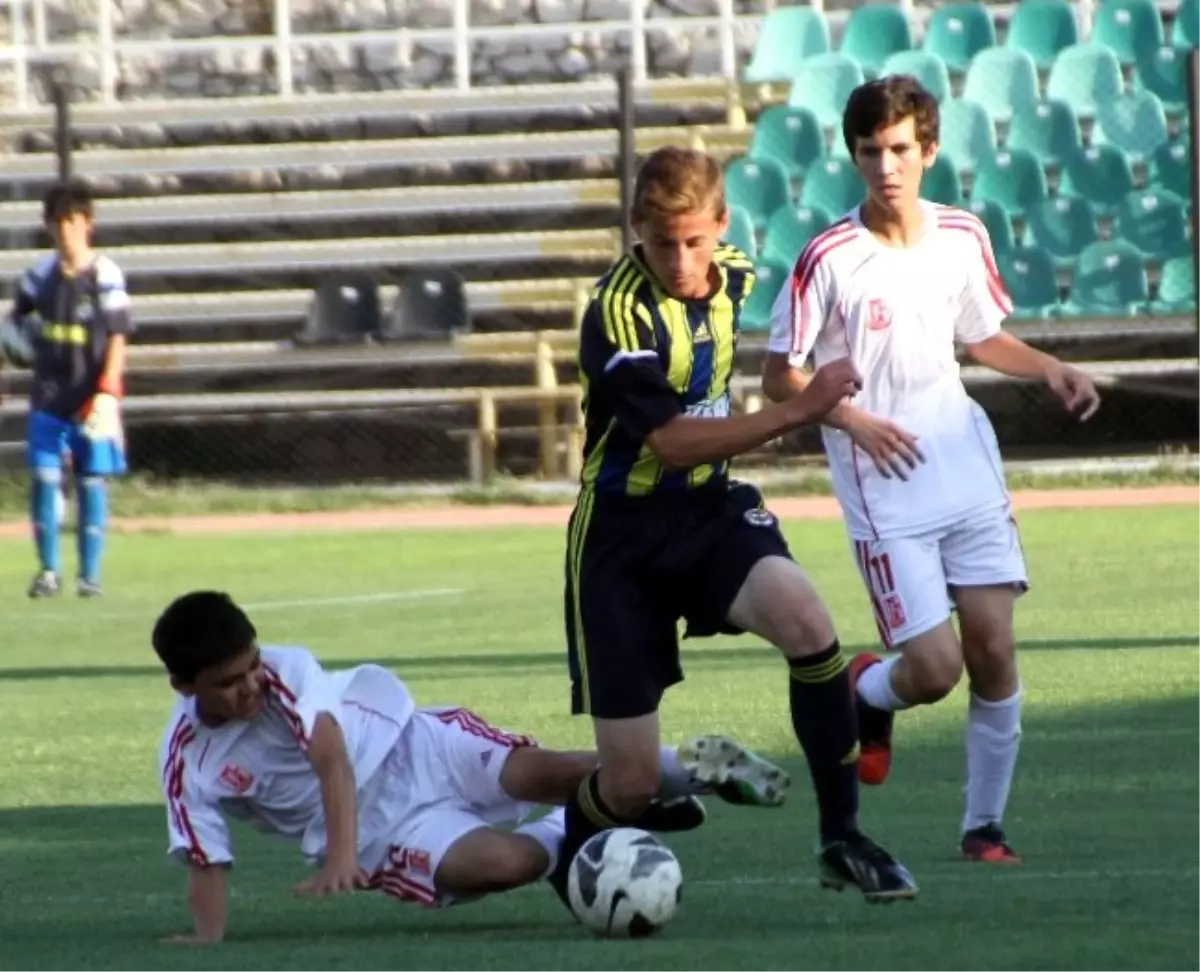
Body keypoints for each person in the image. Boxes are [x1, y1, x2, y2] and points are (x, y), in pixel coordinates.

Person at [552, 145, 918, 910]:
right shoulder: (618, 311)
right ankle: (564, 856)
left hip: (710, 512)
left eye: (694, 241)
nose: (681, 261)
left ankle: (841, 836)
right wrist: (800, 409)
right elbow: (671, 441)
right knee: (627, 785)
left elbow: (778, 359)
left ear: (721, 225)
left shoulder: (740, 272)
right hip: (621, 541)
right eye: (661, 244)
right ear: (634, 231)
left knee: (808, 623)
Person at [760, 76, 1101, 863]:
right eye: (872, 150)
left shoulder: (960, 236)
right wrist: (847, 417)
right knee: (936, 669)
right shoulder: (829, 259)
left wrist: (1048, 367)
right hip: (884, 487)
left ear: (930, 150)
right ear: (853, 155)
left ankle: (984, 827)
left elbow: (981, 336)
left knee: (993, 652)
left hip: (964, 465)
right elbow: (781, 377)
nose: (887, 165)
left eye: (901, 149)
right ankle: (868, 692)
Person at [153, 590, 792, 945]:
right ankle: (585, 827)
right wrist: (208, 939)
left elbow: (331, 759)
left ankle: (683, 769)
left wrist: (337, 859)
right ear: (184, 685)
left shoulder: (285, 673)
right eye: (228, 684)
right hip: (386, 831)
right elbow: (207, 859)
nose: (249, 688)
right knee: (506, 865)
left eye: (251, 668)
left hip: (416, 743)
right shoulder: (188, 764)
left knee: (552, 771)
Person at [1, 180, 131, 599]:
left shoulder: (105, 275)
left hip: (90, 401)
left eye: (72, 222)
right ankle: (48, 571)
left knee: (91, 483)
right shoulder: (39, 277)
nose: (64, 232)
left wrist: (109, 391)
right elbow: (11, 327)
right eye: (57, 224)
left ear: (88, 223)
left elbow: (117, 337)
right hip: (48, 399)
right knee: (43, 480)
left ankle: (89, 575)